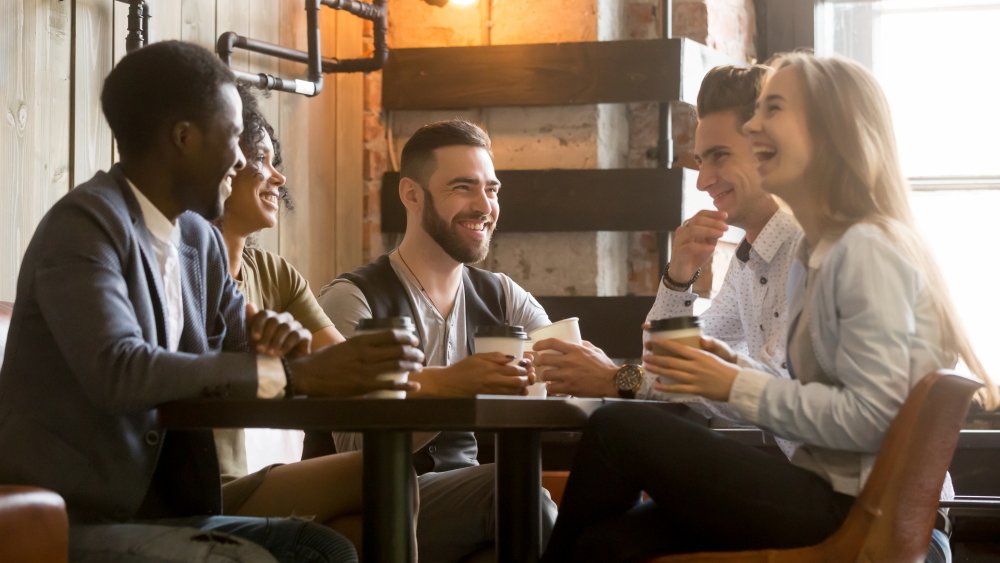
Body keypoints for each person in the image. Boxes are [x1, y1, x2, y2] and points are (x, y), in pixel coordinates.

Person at [540, 52, 998, 563]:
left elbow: (871, 418)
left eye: (773, 110)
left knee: (616, 429)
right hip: (830, 493)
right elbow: (673, 367)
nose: (758, 125)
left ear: (827, 134)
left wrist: (728, 380)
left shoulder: (859, 250)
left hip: (862, 512)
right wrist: (681, 283)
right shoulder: (805, 253)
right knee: (608, 544)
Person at [0, 40, 422, 563]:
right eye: (233, 138)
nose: (243, 159)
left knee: (322, 549)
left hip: (172, 511)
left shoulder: (197, 240)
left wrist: (279, 348)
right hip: (72, 517)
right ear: (184, 138)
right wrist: (297, 376)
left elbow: (239, 355)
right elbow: (119, 370)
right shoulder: (85, 226)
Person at [316, 119, 558, 562]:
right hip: (371, 503)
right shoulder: (353, 299)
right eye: (463, 188)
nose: (484, 206)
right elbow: (355, 448)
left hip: (465, 504)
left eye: (492, 190)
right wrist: (456, 383)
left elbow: (565, 363)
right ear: (411, 195)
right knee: (515, 493)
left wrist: (584, 369)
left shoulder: (502, 295)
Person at [533, 65, 801, 416]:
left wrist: (618, 379)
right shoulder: (748, 261)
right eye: (701, 161)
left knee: (615, 426)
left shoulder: (806, 250)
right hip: (778, 457)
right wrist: (678, 278)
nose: (702, 181)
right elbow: (666, 366)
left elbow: (770, 389)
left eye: (720, 156)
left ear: (769, 149)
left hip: (814, 467)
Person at [210, 84, 380, 550]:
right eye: (261, 160)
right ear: (225, 164)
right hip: (209, 489)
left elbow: (349, 372)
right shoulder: (181, 267)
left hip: (256, 480)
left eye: (274, 160)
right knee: (379, 468)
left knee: (353, 536)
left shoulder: (275, 274)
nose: (277, 178)